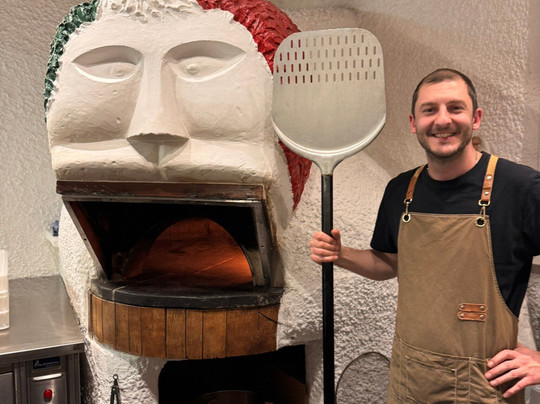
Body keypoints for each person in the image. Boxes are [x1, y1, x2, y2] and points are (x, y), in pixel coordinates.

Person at [310, 68, 540, 403]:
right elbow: (389, 262)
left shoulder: (520, 188)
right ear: (413, 123)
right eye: (430, 110)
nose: (442, 120)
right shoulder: (401, 189)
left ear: (476, 118)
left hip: (483, 390)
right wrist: (341, 255)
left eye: (455, 108)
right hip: (409, 385)